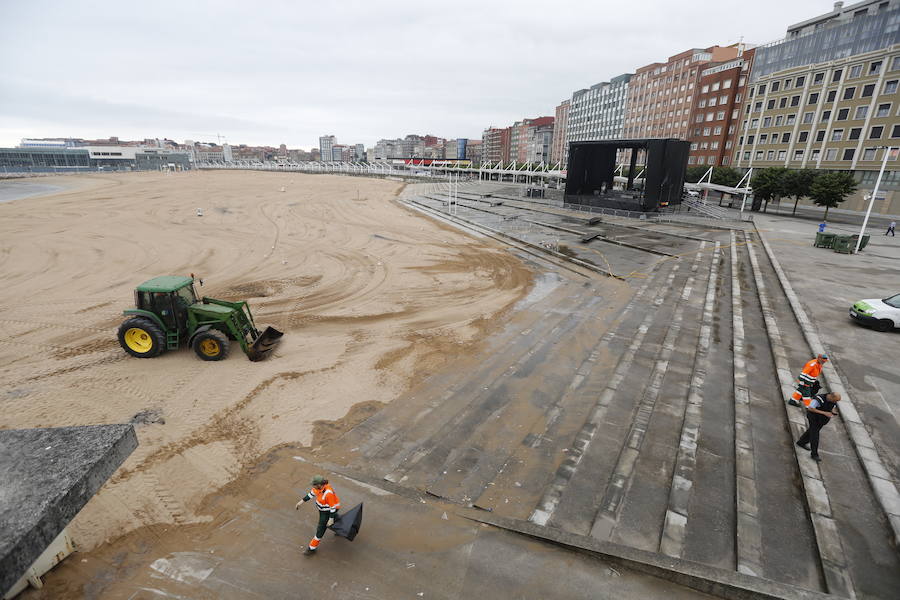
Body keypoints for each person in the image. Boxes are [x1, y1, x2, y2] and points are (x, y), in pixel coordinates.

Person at [296, 475, 340, 555]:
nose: (313, 486)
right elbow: (311, 494)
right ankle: (341, 528)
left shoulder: (328, 493)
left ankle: (311, 548)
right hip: (323, 510)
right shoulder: (318, 488)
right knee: (336, 519)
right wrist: (301, 502)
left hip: (327, 512)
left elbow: (333, 507)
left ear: (319, 484)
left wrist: (331, 518)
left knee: (320, 529)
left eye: (314, 485)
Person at [796, 392, 841, 461]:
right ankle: (814, 454)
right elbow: (810, 408)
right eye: (835, 400)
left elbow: (833, 407)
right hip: (814, 418)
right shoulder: (818, 399)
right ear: (831, 397)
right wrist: (825, 413)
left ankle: (801, 442)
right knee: (815, 435)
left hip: (821, 420)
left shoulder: (833, 401)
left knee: (811, 431)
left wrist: (833, 411)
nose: (835, 402)